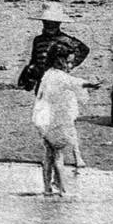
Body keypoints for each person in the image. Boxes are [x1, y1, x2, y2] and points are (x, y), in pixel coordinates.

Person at [18, 0, 92, 166]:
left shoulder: (66, 40)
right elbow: (34, 60)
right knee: (44, 121)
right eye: (47, 22)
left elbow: (84, 50)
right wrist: (30, 74)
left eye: (53, 23)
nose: (50, 25)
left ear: (59, 23)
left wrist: (71, 65)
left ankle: (76, 155)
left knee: (67, 121)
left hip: (60, 85)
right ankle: (50, 154)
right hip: (43, 85)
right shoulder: (38, 40)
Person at [32, 45, 97, 195]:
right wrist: (91, 84)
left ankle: (47, 188)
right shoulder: (59, 76)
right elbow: (74, 82)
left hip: (43, 119)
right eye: (67, 62)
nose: (70, 66)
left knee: (48, 155)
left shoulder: (48, 74)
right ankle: (63, 190)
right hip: (55, 121)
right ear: (58, 60)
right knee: (58, 155)